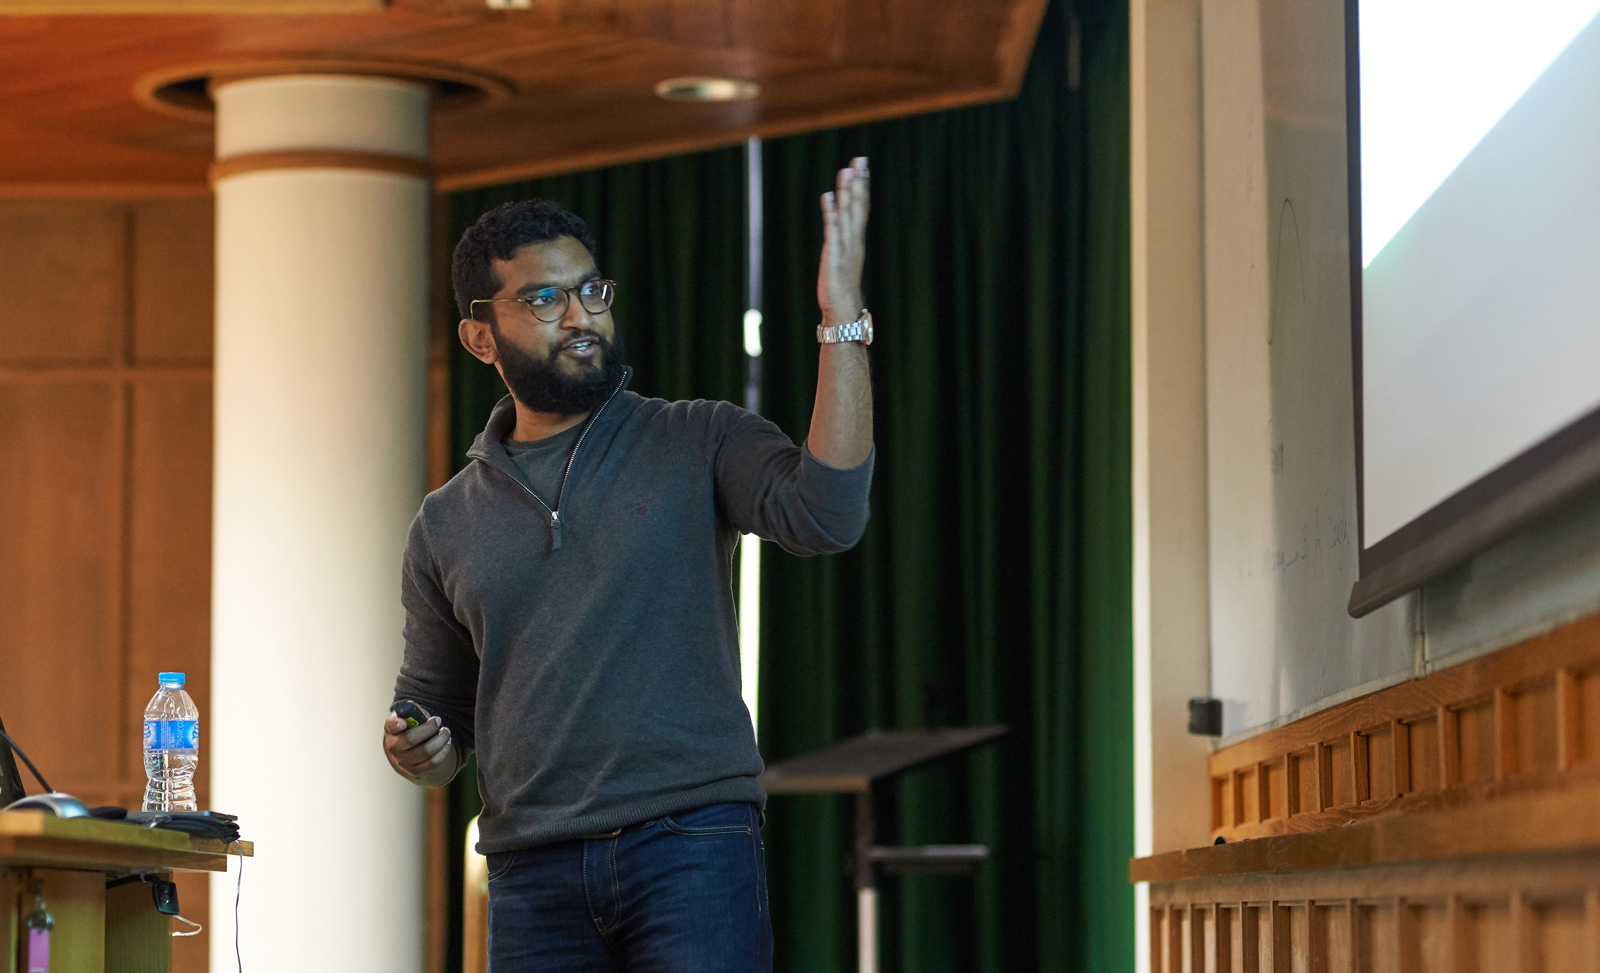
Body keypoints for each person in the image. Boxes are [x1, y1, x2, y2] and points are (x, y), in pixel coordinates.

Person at [383, 157, 875, 971]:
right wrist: (420, 748)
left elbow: (828, 515)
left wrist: (841, 317)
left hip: (694, 846)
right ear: (480, 336)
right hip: (531, 870)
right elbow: (435, 715)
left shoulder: (698, 435)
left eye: (591, 291)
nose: (580, 316)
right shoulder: (445, 521)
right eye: (544, 298)